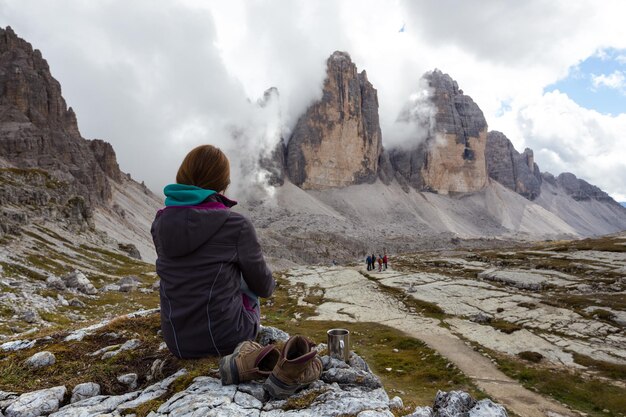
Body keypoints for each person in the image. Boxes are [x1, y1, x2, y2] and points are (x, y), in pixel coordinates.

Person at [151, 144, 275, 358]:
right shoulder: (236, 224)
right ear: (222, 183)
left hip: (177, 343)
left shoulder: (160, 222)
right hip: (227, 340)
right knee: (246, 280)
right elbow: (264, 287)